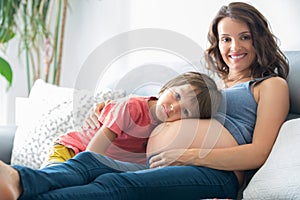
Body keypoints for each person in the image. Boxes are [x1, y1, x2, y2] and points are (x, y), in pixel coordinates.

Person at [0, 2, 290, 199]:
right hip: (162, 162)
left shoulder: (270, 85)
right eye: (226, 39)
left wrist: (190, 155)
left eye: (244, 37)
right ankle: (17, 180)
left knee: (116, 185)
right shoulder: (211, 86)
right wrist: (106, 113)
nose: (234, 47)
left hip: (215, 173)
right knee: (91, 161)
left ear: (258, 39)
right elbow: (158, 110)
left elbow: (258, 152)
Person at [45, 71, 221, 166]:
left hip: (98, 161)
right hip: (73, 150)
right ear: (168, 86)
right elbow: (92, 151)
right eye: (177, 95)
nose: (174, 107)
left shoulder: (163, 133)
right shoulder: (131, 109)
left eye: (186, 112)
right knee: (53, 179)